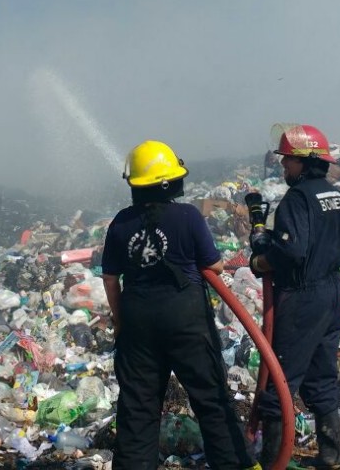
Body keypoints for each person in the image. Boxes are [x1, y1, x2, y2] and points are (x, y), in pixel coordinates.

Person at [102, 140, 257, 470]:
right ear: (168, 182)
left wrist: (119, 322)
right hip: (186, 321)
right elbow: (214, 266)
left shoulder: (121, 222)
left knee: (138, 408)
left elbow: (111, 278)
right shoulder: (188, 216)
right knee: (211, 400)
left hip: (138, 324)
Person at [249, 124, 340, 469]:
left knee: (280, 378)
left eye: (289, 160)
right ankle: (331, 454)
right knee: (322, 373)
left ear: (305, 162)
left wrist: (261, 261)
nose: (284, 166)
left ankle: (272, 461)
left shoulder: (297, 199)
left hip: (304, 296)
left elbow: (292, 251)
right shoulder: (336, 197)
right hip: (334, 291)